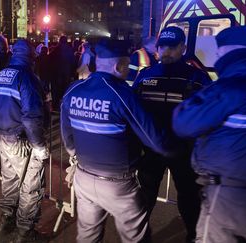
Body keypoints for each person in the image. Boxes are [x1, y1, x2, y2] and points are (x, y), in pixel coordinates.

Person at [61, 37, 171, 243]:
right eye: (126, 64)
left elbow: (67, 135)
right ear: (118, 65)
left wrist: (76, 154)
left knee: (87, 235)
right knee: (134, 237)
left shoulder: (73, 91)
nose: (127, 69)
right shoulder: (124, 95)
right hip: (118, 185)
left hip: (84, 178)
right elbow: (156, 141)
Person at [172, 25, 246, 243]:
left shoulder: (229, 87)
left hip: (231, 195)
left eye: (220, 50)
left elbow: (184, 122)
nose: (217, 55)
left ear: (230, 52)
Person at [133, 26, 212, 242]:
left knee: (189, 200)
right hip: (152, 150)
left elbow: (209, 114)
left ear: (183, 48)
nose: (166, 51)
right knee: (145, 199)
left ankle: (194, 237)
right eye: (162, 46)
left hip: (183, 152)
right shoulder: (145, 75)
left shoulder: (198, 78)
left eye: (172, 47)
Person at [0, 39, 49, 242]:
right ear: (31, 57)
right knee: (31, 185)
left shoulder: (2, 74)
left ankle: (6, 218)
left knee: (10, 179)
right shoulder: (27, 77)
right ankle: (25, 231)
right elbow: (31, 116)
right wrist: (39, 146)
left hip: (3, 136)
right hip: (21, 139)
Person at [49, 36, 76, 110]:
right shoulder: (70, 50)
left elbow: (49, 61)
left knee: (55, 91)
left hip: (56, 74)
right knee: (65, 90)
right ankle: (64, 106)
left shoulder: (55, 50)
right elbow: (73, 62)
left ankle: (55, 107)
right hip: (66, 74)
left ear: (60, 41)